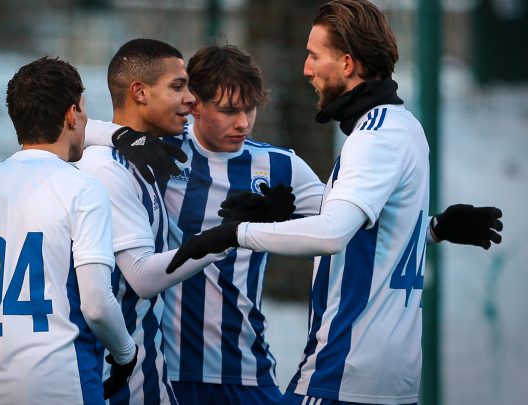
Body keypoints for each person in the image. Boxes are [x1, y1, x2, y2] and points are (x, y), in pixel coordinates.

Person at [166, 1, 503, 404]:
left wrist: (237, 233)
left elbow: (331, 232)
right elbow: (374, 233)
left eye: (314, 56)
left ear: (346, 64)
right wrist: (432, 229)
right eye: (227, 110)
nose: (306, 68)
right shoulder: (404, 127)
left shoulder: (371, 136)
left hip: (344, 369)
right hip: (387, 376)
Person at [87, 44, 326, 404]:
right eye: (229, 110)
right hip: (170, 373)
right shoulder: (160, 154)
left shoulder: (280, 168)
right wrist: (118, 136)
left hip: (245, 369)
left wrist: (430, 229)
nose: (242, 122)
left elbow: (349, 218)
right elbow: (76, 131)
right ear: (194, 104)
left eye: (250, 109)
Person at [0, 56, 137, 405]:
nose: (85, 121)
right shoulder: (83, 189)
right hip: (66, 384)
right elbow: (97, 305)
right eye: (83, 112)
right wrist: (126, 354)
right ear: (71, 114)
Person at [77, 38, 242, 405]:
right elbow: (141, 277)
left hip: (150, 373)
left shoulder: (147, 157)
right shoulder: (106, 168)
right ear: (139, 92)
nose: (191, 100)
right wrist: (225, 238)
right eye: (178, 87)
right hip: (113, 380)